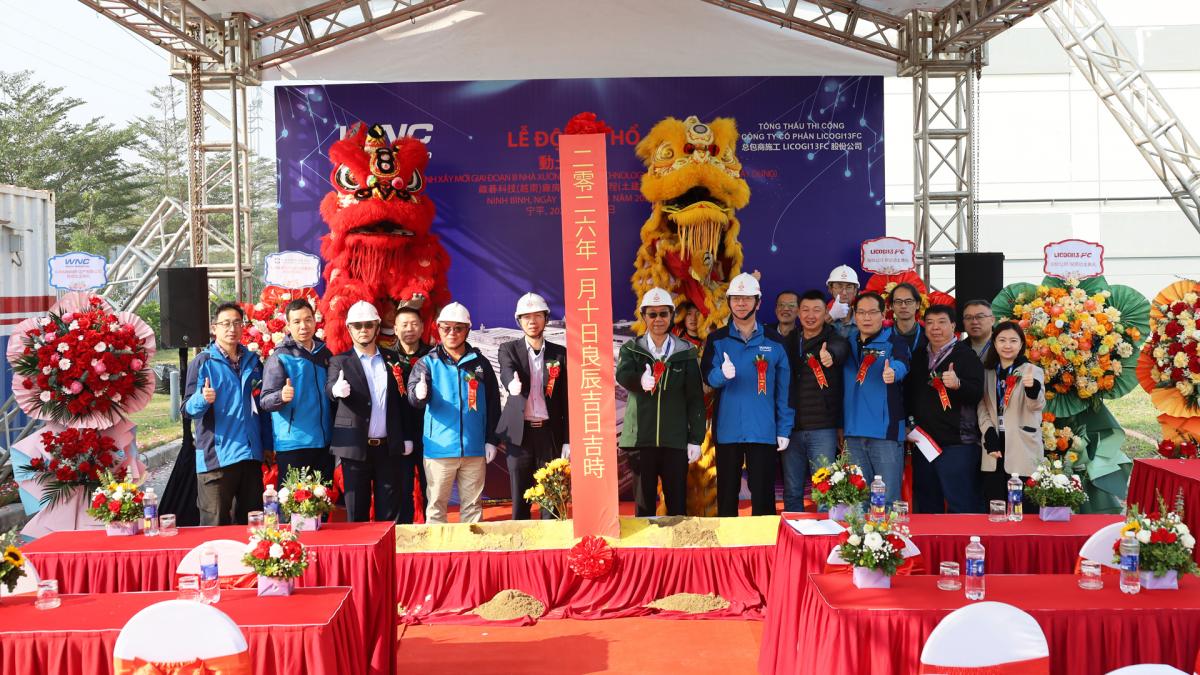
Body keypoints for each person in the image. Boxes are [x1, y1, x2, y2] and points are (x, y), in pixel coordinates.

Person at [701, 273, 794, 517]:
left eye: (747, 298)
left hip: (763, 430)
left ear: (758, 302)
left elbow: (785, 391)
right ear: (729, 302)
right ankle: (727, 542)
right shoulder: (717, 339)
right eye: (736, 298)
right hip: (728, 430)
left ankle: (764, 541)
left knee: (763, 497)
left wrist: (784, 429)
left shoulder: (775, 341)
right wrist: (721, 374)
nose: (741, 303)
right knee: (727, 495)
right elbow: (707, 377)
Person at [616, 288, 706, 516]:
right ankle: (645, 541)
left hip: (674, 441)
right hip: (640, 440)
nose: (658, 319)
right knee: (643, 507)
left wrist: (695, 439)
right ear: (643, 316)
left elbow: (695, 398)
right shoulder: (631, 348)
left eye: (663, 314)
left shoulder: (686, 352)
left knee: (677, 505)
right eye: (652, 314)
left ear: (672, 315)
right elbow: (622, 374)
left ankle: (676, 541)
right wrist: (639, 380)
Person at [408, 302, 501, 524]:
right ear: (438, 329)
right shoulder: (427, 363)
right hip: (439, 450)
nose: (452, 333)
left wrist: (491, 440)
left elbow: (493, 404)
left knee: (473, 509)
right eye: (446, 328)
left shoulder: (480, 364)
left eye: (458, 328)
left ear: (467, 330)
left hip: (474, 448)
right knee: (436, 508)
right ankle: (436, 547)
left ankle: (471, 547)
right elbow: (413, 399)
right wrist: (418, 394)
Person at [326, 301, 411, 522]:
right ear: (349, 329)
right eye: (357, 325)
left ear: (377, 327)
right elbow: (330, 387)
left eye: (368, 324)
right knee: (356, 514)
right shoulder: (339, 361)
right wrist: (335, 390)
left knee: (389, 515)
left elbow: (403, 402)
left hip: (388, 449)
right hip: (355, 449)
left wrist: (406, 437)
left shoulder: (393, 359)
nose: (363, 330)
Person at [182, 302, 267, 526]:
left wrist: (266, 446)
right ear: (214, 328)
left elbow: (262, 407)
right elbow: (186, 408)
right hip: (216, 460)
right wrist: (202, 399)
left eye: (237, 323)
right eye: (226, 323)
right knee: (215, 528)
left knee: (253, 528)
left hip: (250, 457)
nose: (232, 328)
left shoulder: (253, 361)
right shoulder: (203, 362)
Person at [905, 304, 985, 513]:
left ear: (953, 326)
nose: (935, 328)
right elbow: (909, 393)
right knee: (927, 505)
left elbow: (977, 393)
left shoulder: (966, 356)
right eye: (930, 323)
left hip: (957, 444)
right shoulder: (919, 356)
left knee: (961, 505)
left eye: (941, 322)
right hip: (925, 443)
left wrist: (959, 385)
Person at [497, 293, 570, 520]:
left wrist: (567, 439)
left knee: (552, 501)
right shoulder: (508, 349)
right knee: (521, 500)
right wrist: (511, 384)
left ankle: (551, 541)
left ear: (546, 318)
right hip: (520, 435)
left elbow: (566, 400)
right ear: (519, 321)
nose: (532, 321)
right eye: (526, 317)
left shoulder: (560, 353)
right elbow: (506, 369)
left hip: (550, 434)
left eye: (537, 316)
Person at [782, 289, 850, 513]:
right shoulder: (788, 341)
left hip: (823, 428)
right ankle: (793, 533)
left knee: (824, 491)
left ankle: (826, 534)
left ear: (825, 313)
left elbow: (840, 350)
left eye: (817, 310)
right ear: (798, 313)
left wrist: (830, 355)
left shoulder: (834, 339)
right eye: (805, 310)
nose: (810, 315)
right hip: (791, 428)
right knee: (792, 490)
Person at [842, 292, 911, 506]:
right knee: (857, 502)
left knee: (888, 501)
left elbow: (902, 363)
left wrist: (893, 372)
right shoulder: (847, 343)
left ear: (883, 314)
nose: (866, 317)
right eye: (861, 312)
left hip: (885, 435)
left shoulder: (894, 341)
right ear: (854, 315)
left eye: (872, 312)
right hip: (853, 434)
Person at [260, 298, 333, 482]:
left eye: (308, 320)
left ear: (315, 321)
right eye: (297, 321)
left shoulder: (325, 353)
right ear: (288, 325)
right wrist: (281, 396)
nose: (303, 326)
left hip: (324, 443)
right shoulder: (280, 356)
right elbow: (265, 400)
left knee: (323, 497)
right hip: (293, 445)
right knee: (294, 499)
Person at [979, 321, 1045, 510]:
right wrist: (988, 432)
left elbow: (1037, 405)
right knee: (995, 505)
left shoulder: (1032, 371)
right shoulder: (987, 372)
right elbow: (982, 406)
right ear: (994, 343)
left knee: (1025, 507)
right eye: (1002, 340)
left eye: (1013, 341)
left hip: (1022, 444)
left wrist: (1032, 388)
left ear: (1021, 344)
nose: (1007, 345)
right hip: (994, 445)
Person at [393, 305, 433, 523]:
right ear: (395, 329)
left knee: (431, 488)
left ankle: (432, 532)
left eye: (414, 324)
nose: (409, 329)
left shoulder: (433, 356)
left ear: (422, 327)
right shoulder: (387, 358)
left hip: (430, 433)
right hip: (399, 433)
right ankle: (402, 535)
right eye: (404, 325)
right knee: (402, 489)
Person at [890, 282, 925, 355]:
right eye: (898, 301)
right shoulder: (882, 336)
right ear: (892, 306)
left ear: (917, 304)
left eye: (908, 301)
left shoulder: (928, 335)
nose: (903, 306)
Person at [826, 265, 859, 338]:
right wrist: (830, 316)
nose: (844, 292)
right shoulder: (819, 315)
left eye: (849, 287)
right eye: (839, 286)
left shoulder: (863, 318)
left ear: (855, 291)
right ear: (830, 289)